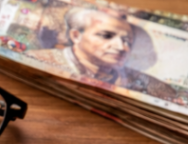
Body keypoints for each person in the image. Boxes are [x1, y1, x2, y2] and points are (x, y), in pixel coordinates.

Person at [27, 8, 178, 101]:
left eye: (127, 41)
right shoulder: (33, 60)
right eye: (106, 36)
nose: (121, 47)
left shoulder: (149, 83)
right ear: (76, 36)